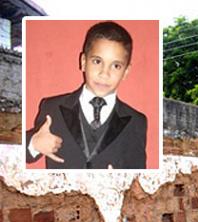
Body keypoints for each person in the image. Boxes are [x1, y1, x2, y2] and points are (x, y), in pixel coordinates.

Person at [26, 21, 147, 169]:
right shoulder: (52, 107)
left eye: (116, 66)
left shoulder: (137, 122)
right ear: (83, 62)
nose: (104, 73)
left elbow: (138, 172)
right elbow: (22, 152)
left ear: (126, 72)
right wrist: (34, 144)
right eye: (97, 61)